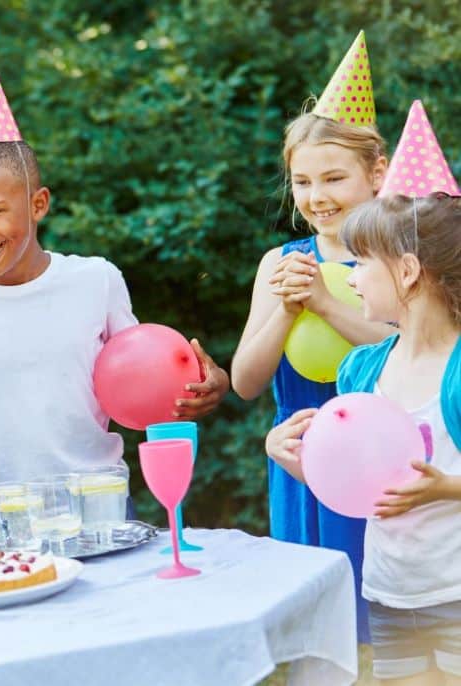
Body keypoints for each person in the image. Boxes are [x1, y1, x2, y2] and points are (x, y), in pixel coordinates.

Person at [0, 50, 229, 534]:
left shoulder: (96, 280)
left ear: (38, 204)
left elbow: (144, 381)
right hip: (3, 514)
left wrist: (207, 385)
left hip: (99, 504)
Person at [231, 31, 394, 640]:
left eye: (333, 178)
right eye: (302, 182)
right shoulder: (279, 263)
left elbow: (400, 353)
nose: (317, 197)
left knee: (382, 630)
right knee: (315, 638)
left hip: (377, 461)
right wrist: (287, 309)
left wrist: (324, 302)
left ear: (376, 173)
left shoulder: (398, 260)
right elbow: (246, 382)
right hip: (299, 461)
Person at [267, 193, 461, 684]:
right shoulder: (360, 369)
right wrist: (292, 457)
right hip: (391, 593)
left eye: (362, 263)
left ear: (408, 271)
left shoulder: (456, 371)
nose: (350, 278)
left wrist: (445, 488)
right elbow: (353, 482)